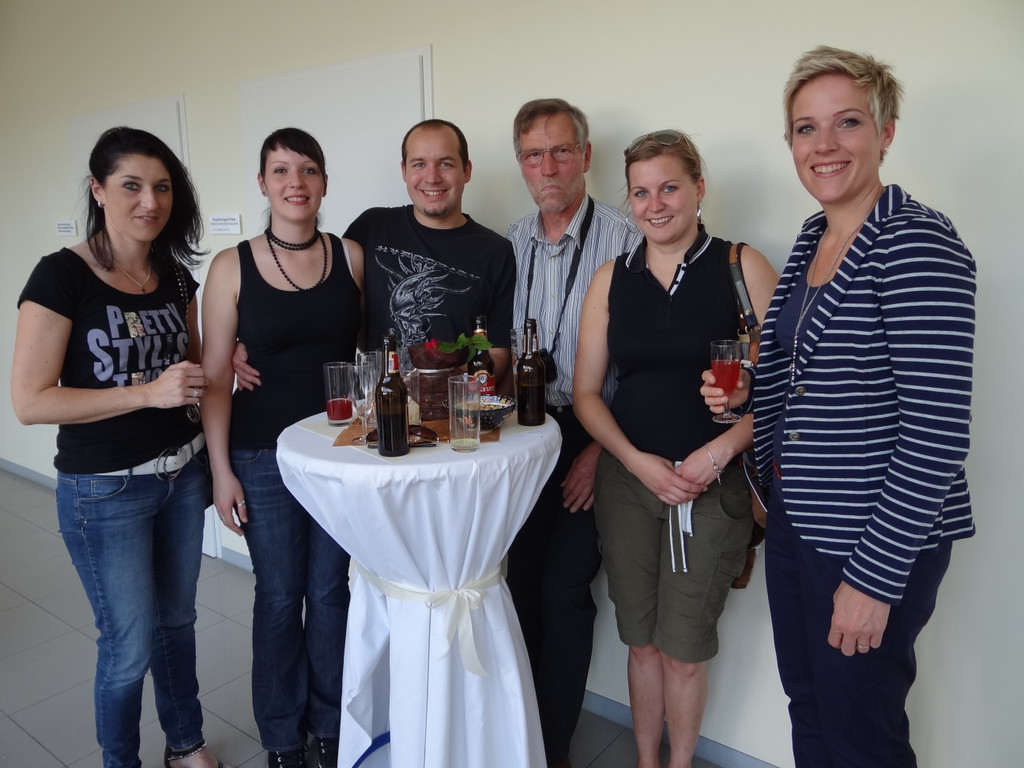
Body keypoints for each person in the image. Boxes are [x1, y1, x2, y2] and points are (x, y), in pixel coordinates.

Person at [702, 46, 976, 767]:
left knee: (861, 735)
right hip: (798, 518)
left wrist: (874, 578)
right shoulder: (813, 239)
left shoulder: (916, 242)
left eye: (847, 122)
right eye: (806, 128)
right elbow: (812, 375)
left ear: (886, 132)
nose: (824, 144)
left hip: (869, 537)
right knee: (812, 708)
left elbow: (936, 432)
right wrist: (748, 394)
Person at [11, 127, 229, 768]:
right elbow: (30, 401)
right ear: (98, 189)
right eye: (131, 185)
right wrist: (146, 394)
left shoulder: (176, 277)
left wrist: (228, 361)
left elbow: (191, 370)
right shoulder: (60, 276)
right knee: (128, 647)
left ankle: (185, 744)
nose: (149, 202)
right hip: (105, 491)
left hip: (182, 476)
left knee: (177, 623)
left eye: (161, 187)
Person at [574, 130, 777, 768]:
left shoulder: (741, 267)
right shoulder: (612, 279)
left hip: (711, 489)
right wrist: (636, 462)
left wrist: (718, 453)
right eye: (640, 192)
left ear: (698, 188)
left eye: (669, 187)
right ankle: (646, 761)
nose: (655, 204)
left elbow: (786, 389)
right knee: (640, 644)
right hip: (628, 485)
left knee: (684, 651)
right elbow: (586, 394)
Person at [200, 128, 363, 768]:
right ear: (263, 183)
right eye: (280, 170)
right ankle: (280, 736)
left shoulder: (350, 257)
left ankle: (330, 724)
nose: (296, 183)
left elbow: (374, 352)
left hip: (337, 454)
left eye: (308, 170)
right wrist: (220, 471)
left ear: (324, 182)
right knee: (277, 595)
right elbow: (216, 377)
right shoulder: (230, 266)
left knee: (329, 592)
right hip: (259, 455)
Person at [503, 98, 641, 768]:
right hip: (524, 437)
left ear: (585, 156)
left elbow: (651, 365)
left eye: (562, 151)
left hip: (596, 434)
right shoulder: (507, 244)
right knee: (518, 584)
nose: (549, 166)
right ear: (520, 164)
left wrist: (598, 453)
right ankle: (519, 733)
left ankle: (552, 747)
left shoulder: (629, 238)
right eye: (534, 154)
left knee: (564, 592)